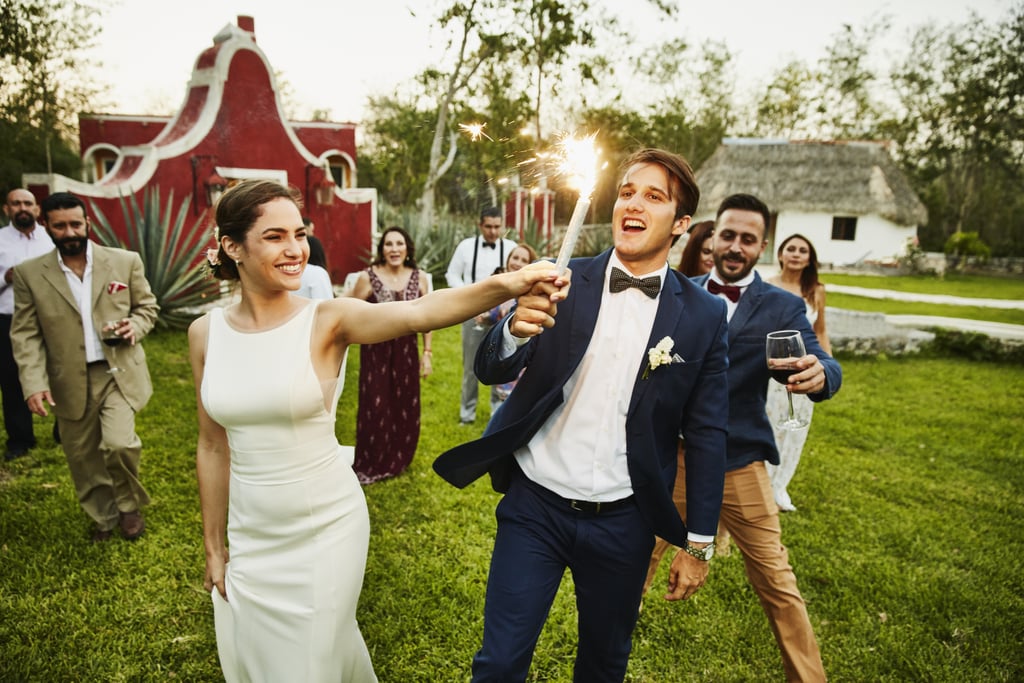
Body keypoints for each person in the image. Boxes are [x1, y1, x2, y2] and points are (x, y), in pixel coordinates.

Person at [189, 179, 565, 683]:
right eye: (275, 236)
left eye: (299, 234)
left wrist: (508, 284)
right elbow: (213, 446)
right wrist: (215, 547)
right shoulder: (205, 334)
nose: (295, 249)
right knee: (265, 662)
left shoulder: (327, 319)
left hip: (325, 526)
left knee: (311, 662)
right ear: (232, 246)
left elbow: (418, 312)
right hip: (251, 536)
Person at [434, 148, 730, 682]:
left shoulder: (705, 315)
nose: (633, 204)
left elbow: (707, 431)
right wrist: (514, 328)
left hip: (626, 518)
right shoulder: (562, 279)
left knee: (603, 665)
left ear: (681, 224)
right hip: (536, 506)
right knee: (498, 663)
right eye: (626, 191)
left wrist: (699, 543)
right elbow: (488, 367)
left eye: (653, 197)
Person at [647, 193, 841, 682]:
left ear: (763, 246)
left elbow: (824, 360)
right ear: (712, 238)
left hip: (739, 462)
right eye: (727, 235)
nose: (735, 247)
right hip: (668, 460)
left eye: (748, 240)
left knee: (777, 580)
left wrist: (821, 375)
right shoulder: (675, 291)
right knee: (628, 566)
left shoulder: (782, 305)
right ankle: (603, 662)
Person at [11, 192, 159, 542]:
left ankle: (127, 506)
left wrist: (134, 327)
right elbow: (25, 334)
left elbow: (147, 307)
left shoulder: (124, 262)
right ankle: (104, 517)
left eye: (76, 223)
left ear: (87, 223)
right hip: (68, 379)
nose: (70, 231)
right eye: (60, 226)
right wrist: (33, 383)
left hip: (118, 371)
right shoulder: (29, 274)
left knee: (119, 444)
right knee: (82, 456)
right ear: (45, 225)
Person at [347, 226, 432, 483]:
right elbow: (347, 310)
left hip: (407, 351)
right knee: (376, 404)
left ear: (407, 249)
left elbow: (428, 317)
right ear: (381, 249)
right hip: (375, 350)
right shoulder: (367, 277)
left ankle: (400, 455)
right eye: (388, 244)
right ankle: (373, 459)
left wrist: (427, 352)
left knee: (405, 402)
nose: (394, 249)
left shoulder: (420, 278)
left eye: (399, 244)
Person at [765, 233, 831, 512]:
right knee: (772, 426)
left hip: (805, 369)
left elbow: (821, 331)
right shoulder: (768, 287)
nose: (795, 254)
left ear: (809, 259)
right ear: (780, 255)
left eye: (802, 250)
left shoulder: (816, 290)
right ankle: (763, 485)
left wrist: (826, 368)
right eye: (790, 248)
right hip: (775, 371)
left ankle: (780, 486)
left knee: (796, 429)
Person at [445, 207, 518, 425]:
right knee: (470, 366)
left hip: (503, 314)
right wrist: (469, 296)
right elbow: (452, 274)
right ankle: (467, 415)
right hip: (473, 313)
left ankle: (499, 414)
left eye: (497, 227)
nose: (493, 232)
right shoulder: (466, 247)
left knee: (503, 362)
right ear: (480, 226)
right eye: (489, 227)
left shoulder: (512, 248)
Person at [0, 189, 54, 460]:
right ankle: (20, 439)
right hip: (9, 319)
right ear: (6, 209)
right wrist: (5, 277)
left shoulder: (51, 237)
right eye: (16, 203)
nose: (22, 207)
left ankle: (64, 431)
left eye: (28, 203)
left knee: (62, 372)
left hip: (51, 317)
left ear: (36, 209)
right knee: (11, 377)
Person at [484, 242, 537, 410]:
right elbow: (493, 315)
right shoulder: (500, 285)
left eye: (523, 260)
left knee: (514, 401)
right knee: (498, 389)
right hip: (499, 348)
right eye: (515, 257)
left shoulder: (532, 292)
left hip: (520, 352)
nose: (517, 262)